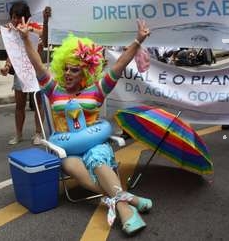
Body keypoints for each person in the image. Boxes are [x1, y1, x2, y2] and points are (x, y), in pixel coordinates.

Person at [17, 16, 153, 235]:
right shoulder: (54, 90)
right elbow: (37, 65)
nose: (68, 74)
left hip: (94, 144)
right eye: (67, 69)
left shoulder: (97, 90)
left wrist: (138, 41)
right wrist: (26, 40)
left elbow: (119, 66)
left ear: (86, 71)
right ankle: (130, 200)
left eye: (75, 70)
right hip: (66, 148)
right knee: (72, 168)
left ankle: (124, 210)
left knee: (98, 160)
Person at [0, 2, 49, 146]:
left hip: (37, 71)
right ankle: (18, 134)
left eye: (18, 17)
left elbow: (45, 42)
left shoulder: (34, 29)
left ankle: (38, 133)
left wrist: (45, 21)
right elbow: (13, 53)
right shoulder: (12, 33)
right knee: (19, 105)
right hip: (20, 72)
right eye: (13, 17)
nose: (15, 20)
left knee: (38, 102)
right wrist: (7, 66)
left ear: (25, 17)